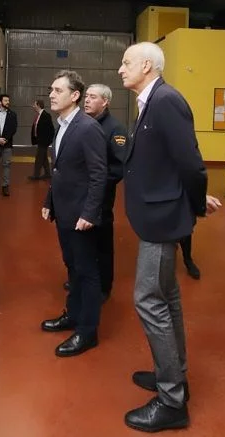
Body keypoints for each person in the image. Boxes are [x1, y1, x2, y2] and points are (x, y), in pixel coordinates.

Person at [119, 42, 221, 432]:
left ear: (147, 65)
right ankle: (173, 373)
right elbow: (164, 161)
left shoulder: (165, 101)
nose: (120, 69)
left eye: (126, 62)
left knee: (149, 300)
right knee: (168, 298)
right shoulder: (151, 102)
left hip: (161, 220)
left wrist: (193, 204)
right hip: (156, 213)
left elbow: (191, 163)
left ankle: (172, 400)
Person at [40, 70, 107, 357]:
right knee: (72, 267)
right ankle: (74, 314)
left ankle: (88, 332)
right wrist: (49, 201)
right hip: (65, 211)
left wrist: (90, 213)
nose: (52, 95)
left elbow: (98, 174)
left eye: (58, 90)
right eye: (51, 90)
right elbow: (60, 170)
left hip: (81, 215)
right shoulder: (63, 125)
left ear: (75, 95)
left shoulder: (87, 127)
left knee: (87, 271)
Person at [83, 83, 127, 300]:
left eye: (93, 97)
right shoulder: (83, 124)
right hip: (80, 196)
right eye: (86, 96)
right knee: (82, 242)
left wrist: (96, 185)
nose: (86, 100)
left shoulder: (115, 129)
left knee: (101, 244)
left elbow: (118, 168)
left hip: (100, 198)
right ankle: (83, 278)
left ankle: (103, 286)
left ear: (105, 102)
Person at [29, 99, 54, 180]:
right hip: (39, 140)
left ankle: (36, 175)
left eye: (34, 104)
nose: (33, 106)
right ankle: (47, 174)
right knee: (44, 158)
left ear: (38, 105)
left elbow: (51, 129)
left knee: (39, 158)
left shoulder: (46, 115)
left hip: (43, 141)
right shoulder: (38, 115)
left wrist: (48, 141)